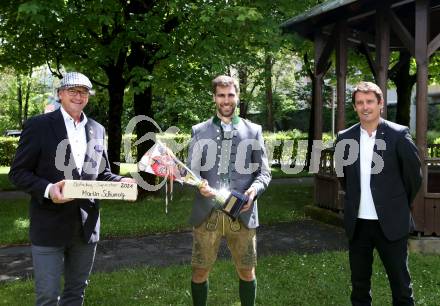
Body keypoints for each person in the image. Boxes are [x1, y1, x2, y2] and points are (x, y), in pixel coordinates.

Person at [9, 72, 135, 306]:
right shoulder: (39, 126)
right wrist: (48, 189)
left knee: (76, 293)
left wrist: (120, 183)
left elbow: (101, 173)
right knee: (47, 296)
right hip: (49, 225)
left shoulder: (97, 129)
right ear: (60, 94)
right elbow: (18, 173)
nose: (78, 96)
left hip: (86, 227)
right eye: (72, 91)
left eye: (84, 92)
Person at [334, 81, 422, 306]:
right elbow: (343, 176)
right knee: (360, 287)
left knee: (401, 287)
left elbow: (414, 177)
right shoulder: (345, 138)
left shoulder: (398, 135)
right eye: (360, 102)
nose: (365, 107)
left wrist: (397, 203)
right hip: (359, 225)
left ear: (380, 103)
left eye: (370, 101)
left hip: (391, 223)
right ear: (355, 106)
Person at [187, 75, 271, 306]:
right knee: (199, 272)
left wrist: (253, 192)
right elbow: (191, 172)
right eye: (221, 95)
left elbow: (264, 173)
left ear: (237, 96)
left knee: (247, 272)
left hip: (242, 213)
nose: (226, 100)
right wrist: (199, 184)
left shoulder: (253, 131)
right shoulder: (199, 131)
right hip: (208, 214)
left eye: (231, 95)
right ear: (214, 98)